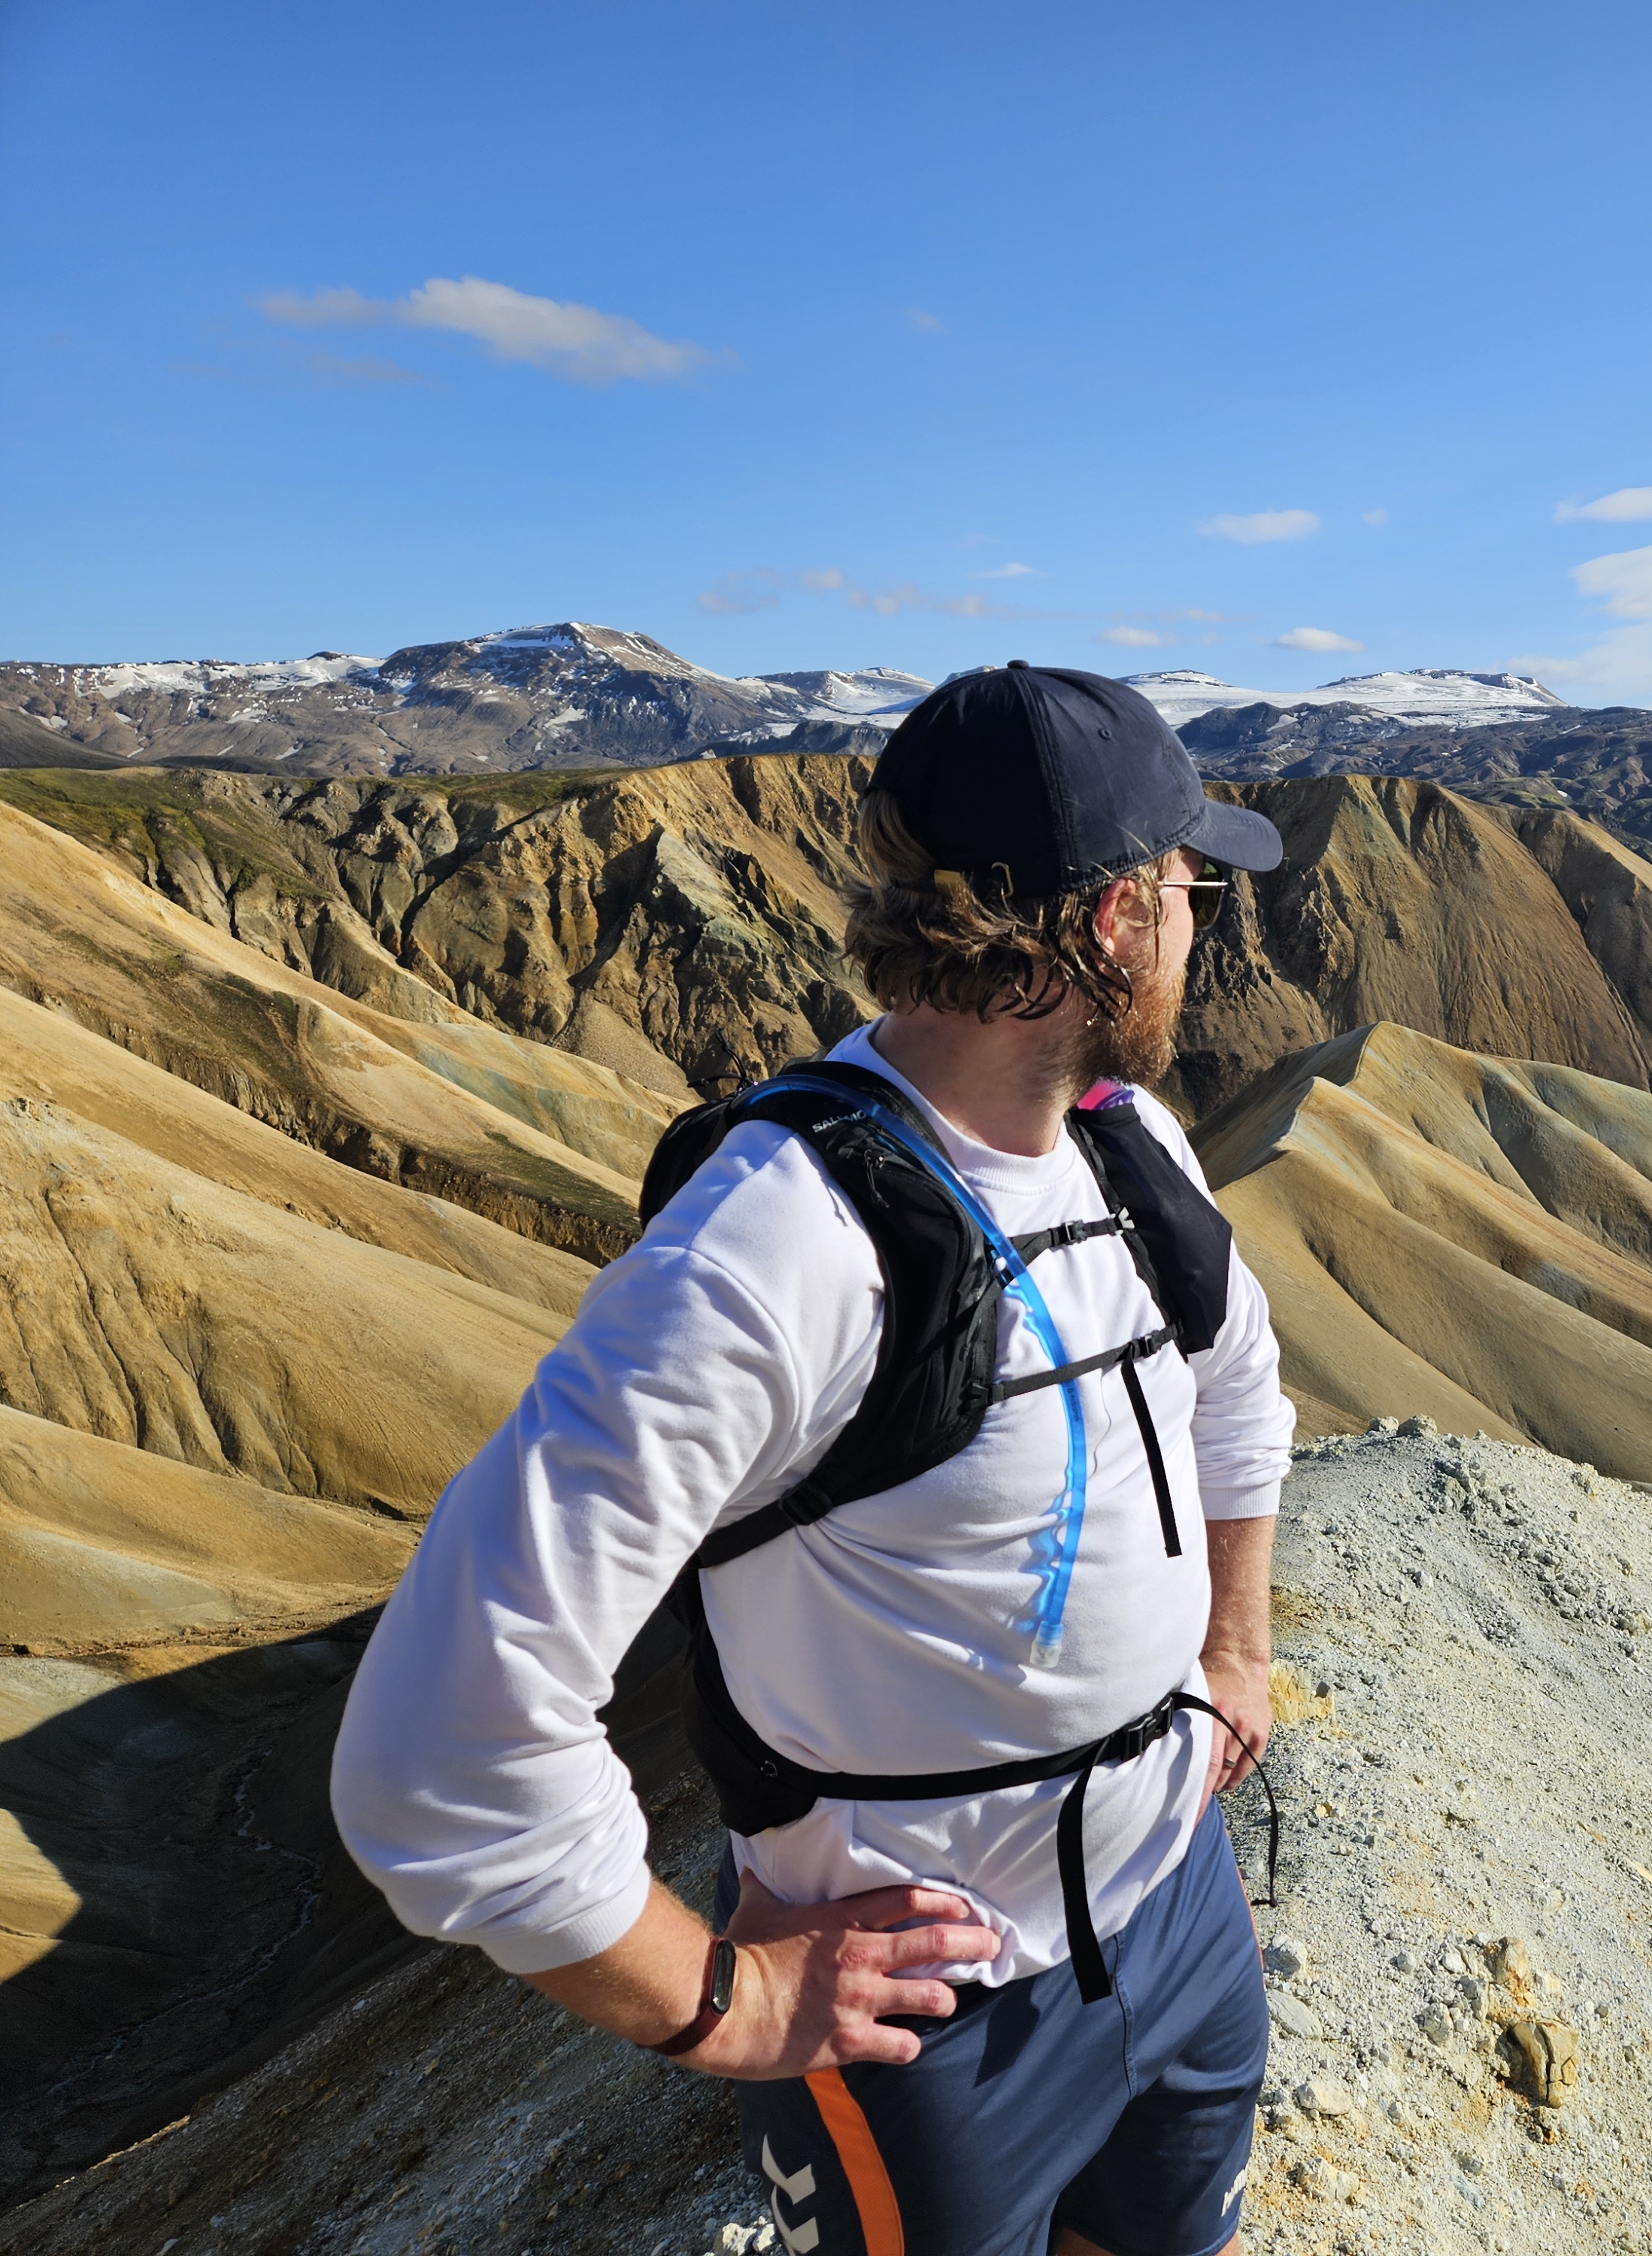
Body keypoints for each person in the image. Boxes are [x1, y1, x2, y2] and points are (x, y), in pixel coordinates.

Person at [332, 662, 1298, 2256]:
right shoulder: (773, 1250)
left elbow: (1236, 1386)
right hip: (934, 2022)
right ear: (1117, 921)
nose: (1205, 922)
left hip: (1182, 1909)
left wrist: (1234, 1654)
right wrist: (729, 2003)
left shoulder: (1125, 1140)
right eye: (1190, 884)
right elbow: (438, 1752)